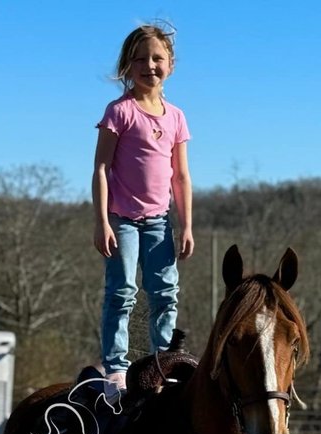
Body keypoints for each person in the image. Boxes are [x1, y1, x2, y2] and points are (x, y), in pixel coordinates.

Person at [92, 23, 193, 397]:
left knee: (165, 292)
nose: (149, 65)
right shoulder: (120, 112)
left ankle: (161, 362)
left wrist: (185, 226)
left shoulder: (176, 117)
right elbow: (101, 168)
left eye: (157, 58)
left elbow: (180, 176)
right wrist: (102, 221)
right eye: (140, 59)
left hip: (158, 221)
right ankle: (115, 369)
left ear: (170, 65)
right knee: (122, 293)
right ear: (127, 66)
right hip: (121, 220)